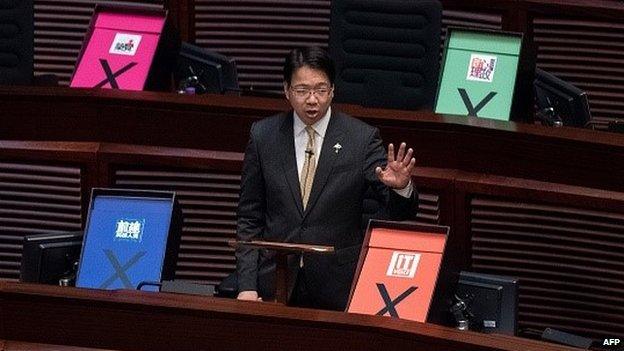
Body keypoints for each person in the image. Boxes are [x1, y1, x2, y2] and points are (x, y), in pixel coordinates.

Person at [235, 46, 417, 311]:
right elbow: (249, 217)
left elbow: (398, 211)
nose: (312, 100)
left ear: (333, 90)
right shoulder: (264, 136)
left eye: (321, 90)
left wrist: (401, 188)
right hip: (276, 282)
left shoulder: (361, 139)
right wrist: (247, 286)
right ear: (286, 91)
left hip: (338, 286)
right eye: (302, 90)